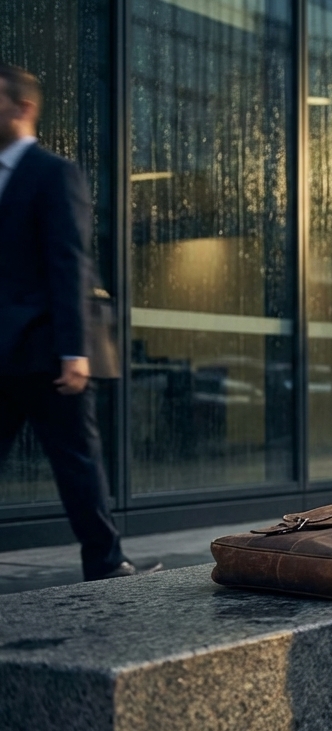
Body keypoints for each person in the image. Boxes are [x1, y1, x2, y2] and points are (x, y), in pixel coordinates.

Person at [0, 65, 159, 581]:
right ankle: (108, 558)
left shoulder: (52, 172)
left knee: (76, 463)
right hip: (4, 352)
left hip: (49, 351)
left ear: (22, 107)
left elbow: (69, 262)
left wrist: (75, 351)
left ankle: (106, 561)